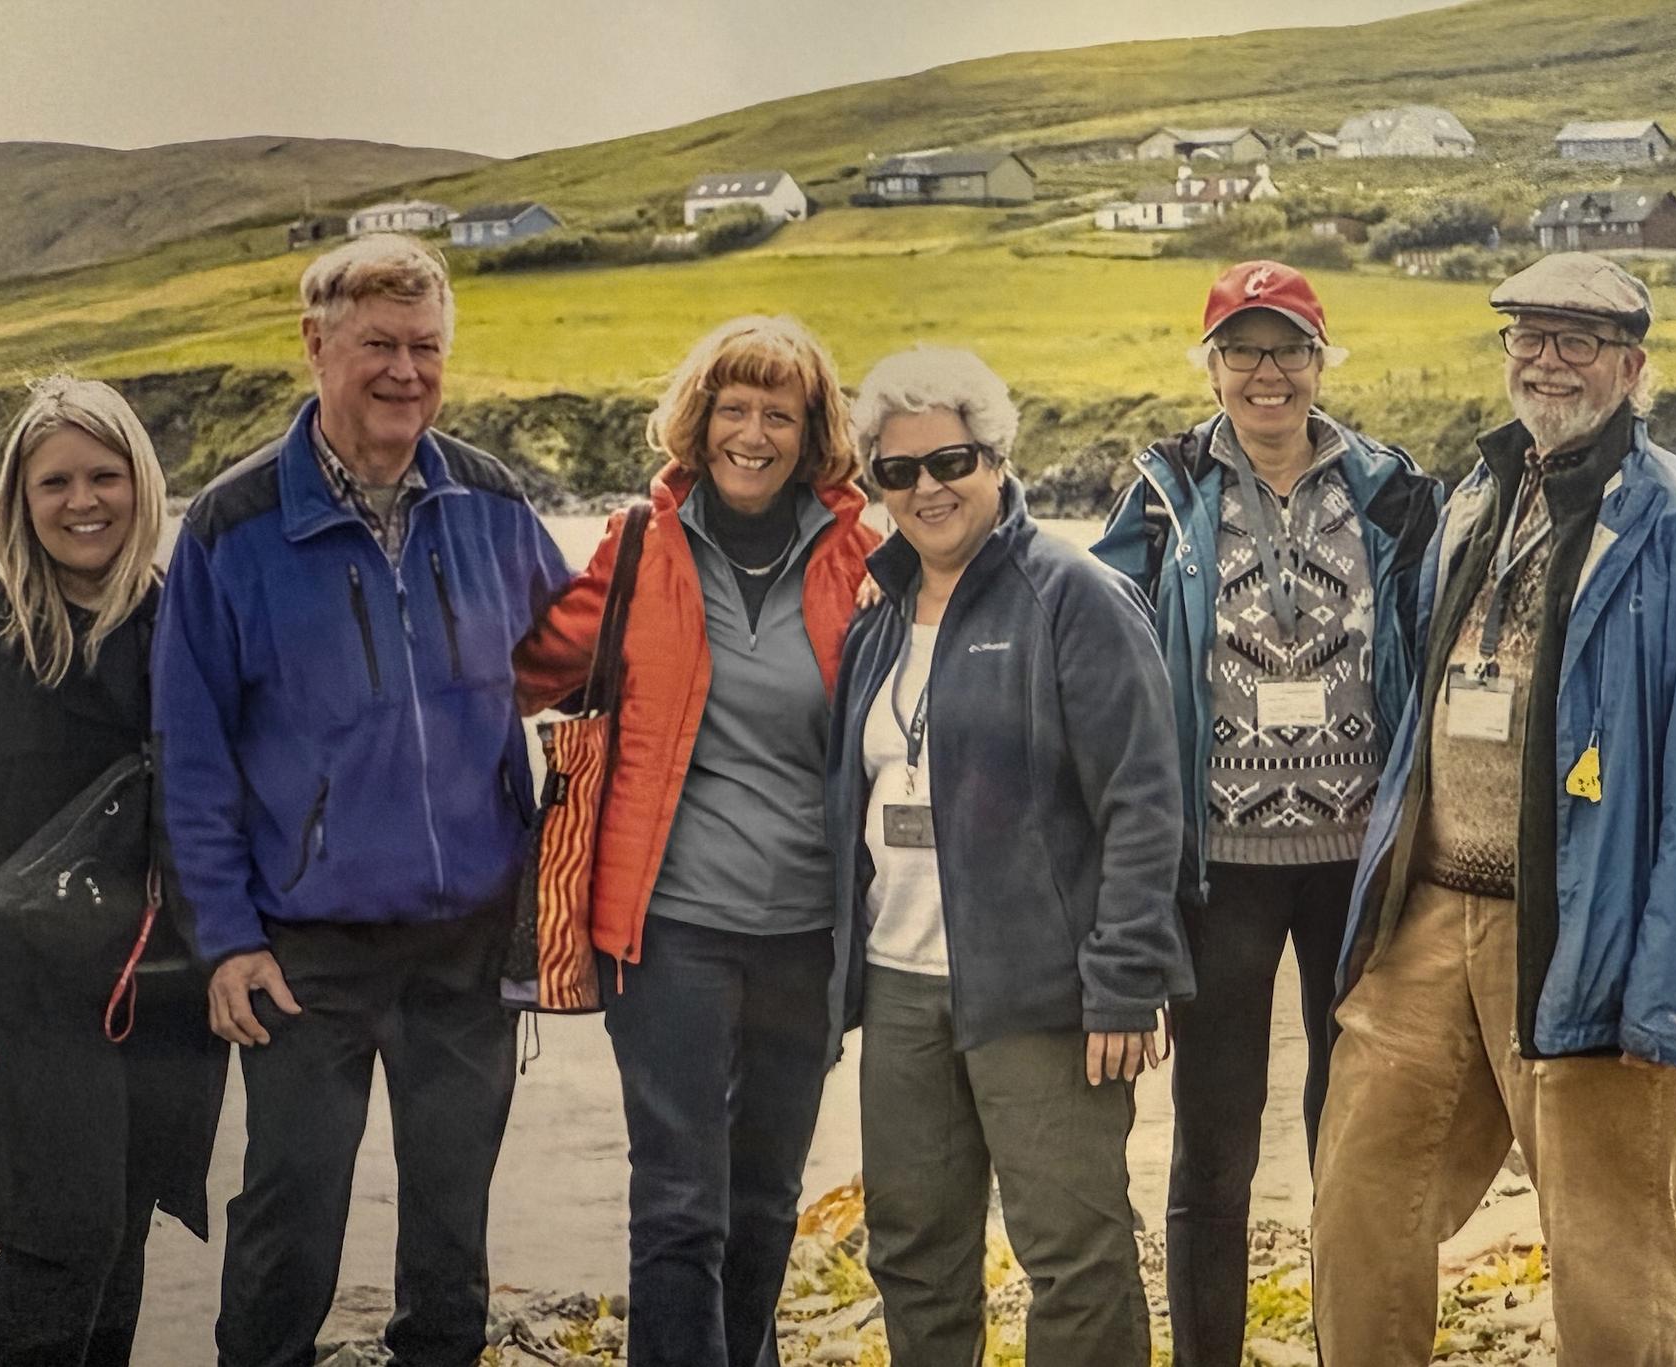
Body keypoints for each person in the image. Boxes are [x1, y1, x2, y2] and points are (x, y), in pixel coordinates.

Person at [1310, 252, 1676, 1365]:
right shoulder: (1481, 497)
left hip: (1585, 928)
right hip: (1433, 913)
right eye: (1527, 336)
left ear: (1631, 365)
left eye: (1577, 340)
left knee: (1608, 1240)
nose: (1547, 360)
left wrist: (1665, 991)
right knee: (1361, 1192)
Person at [152, 234, 571, 1367]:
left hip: (470, 938)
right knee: (290, 1214)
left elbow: (588, 659)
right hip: (304, 948)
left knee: (451, 1220)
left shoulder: (492, 501)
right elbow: (189, 758)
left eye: (425, 347)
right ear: (316, 344)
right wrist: (225, 940)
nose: (404, 371)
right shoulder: (232, 527)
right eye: (378, 344)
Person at [1092, 259, 1441, 1366]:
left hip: (1359, 869)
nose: (1267, 371)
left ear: (1321, 359)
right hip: (1220, 869)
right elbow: (1089, 630)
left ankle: (1355, 1346)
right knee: (1213, 1149)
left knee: (1354, 1138)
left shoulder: (1391, 491)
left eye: (1289, 347)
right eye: (1242, 349)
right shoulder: (1163, 494)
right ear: (1212, 367)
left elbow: (1446, 627)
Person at [512, 314, 878, 1367]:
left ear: (812, 433)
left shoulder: (863, 557)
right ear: (699, 420)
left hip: (810, 932)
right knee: (680, 1202)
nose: (753, 434)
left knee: (763, 1200)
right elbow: (519, 666)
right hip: (667, 927)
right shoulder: (640, 547)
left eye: (780, 414)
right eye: (734, 409)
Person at [827, 345, 1193, 1365]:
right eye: (898, 471)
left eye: (951, 461)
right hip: (900, 985)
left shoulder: (1076, 595)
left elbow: (1144, 801)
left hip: (1044, 990)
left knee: (1073, 1255)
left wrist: (1125, 982)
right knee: (913, 1250)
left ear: (996, 458)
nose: (927, 488)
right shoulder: (877, 613)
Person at [0, 376, 226, 1366]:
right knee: (58, 1232)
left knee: (122, 1226)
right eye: (56, 482)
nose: (84, 501)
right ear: (19, 499)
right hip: (15, 998)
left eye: (105, 476)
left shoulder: (188, 626)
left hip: (158, 988)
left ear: (142, 483)